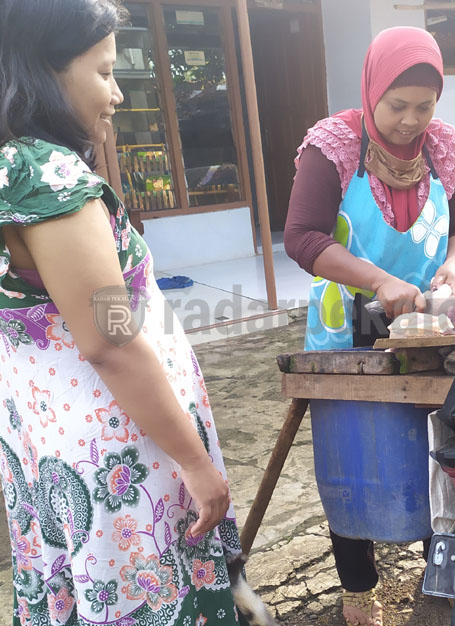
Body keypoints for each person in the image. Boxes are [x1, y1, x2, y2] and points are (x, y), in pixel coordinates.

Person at [0, 1, 245, 624]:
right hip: (122, 463)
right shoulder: (49, 182)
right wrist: (194, 460)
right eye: (105, 72)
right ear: (44, 71)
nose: (115, 93)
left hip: (52, 449)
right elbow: (111, 337)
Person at [284, 27, 455, 626]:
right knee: (356, 458)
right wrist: (375, 280)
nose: (409, 121)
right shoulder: (334, 146)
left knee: (432, 451)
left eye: (424, 107)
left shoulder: (443, 150)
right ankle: (358, 590)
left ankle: (438, 579)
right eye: (397, 106)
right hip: (347, 333)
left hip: (425, 331)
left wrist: (452, 267)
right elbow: (303, 237)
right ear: (371, 91)